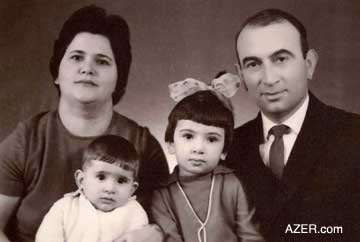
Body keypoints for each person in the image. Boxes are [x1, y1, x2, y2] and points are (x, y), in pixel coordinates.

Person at [0, 5, 169, 242]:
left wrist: (155, 234)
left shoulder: (143, 146)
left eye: (102, 61)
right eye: (76, 57)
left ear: (119, 78)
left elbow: (168, 225)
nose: (87, 68)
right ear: (57, 73)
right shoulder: (27, 140)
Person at [225, 8, 360, 242]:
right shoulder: (228, 148)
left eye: (280, 59)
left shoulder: (354, 135)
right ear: (241, 75)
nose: (269, 79)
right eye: (253, 64)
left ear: (309, 64)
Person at [151, 88, 264, 242]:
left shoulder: (233, 184)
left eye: (211, 139)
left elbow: (251, 236)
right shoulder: (162, 194)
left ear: (224, 151)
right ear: (170, 143)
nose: (198, 148)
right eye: (188, 136)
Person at [36, 135, 148, 242]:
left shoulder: (135, 213)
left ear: (132, 189)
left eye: (121, 181)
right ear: (81, 180)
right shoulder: (63, 208)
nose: (110, 189)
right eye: (101, 177)